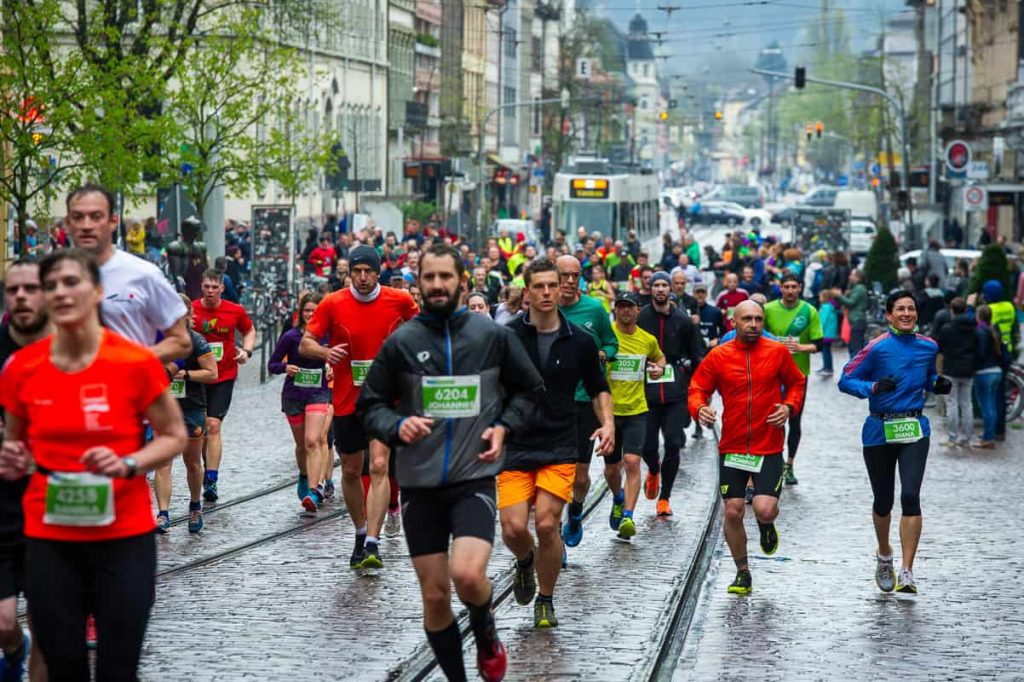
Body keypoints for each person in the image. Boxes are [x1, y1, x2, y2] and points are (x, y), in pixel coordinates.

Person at [357, 243, 544, 682]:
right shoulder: (402, 342)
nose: (437, 285)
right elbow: (371, 405)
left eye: (446, 277)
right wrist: (395, 426)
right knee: (436, 596)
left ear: (463, 280)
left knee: (467, 574)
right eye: (429, 277)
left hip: (472, 477)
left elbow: (529, 390)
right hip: (420, 484)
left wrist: (503, 427)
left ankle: (485, 629)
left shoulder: (491, 336)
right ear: (418, 283)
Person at [0, 249, 186, 680]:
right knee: (64, 667)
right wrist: (13, 459)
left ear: (98, 291)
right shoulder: (21, 369)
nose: (60, 292)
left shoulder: (135, 362)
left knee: (117, 670)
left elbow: (174, 436)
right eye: (51, 286)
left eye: (71, 282)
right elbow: (16, 449)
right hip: (49, 539)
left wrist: (127, 462)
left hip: (124, 538)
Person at [502, 260, 613, 628]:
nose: (548, 292)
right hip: (515, 445)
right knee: (514, 529)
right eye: (541, 286)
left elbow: (599, 388)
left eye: (554, 285)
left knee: (548, 526)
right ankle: (524, 562)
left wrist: (608, 423)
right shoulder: (507, 337)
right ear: (527, 291)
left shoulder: (580, 339)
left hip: (559, 443)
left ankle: (545, 599)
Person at [300, 244, 418, 569]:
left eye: (368, 271)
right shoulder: (332, 303)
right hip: (347, 401)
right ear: (349, 273)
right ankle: (360, 530)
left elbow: (424, 331)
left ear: (378, 271)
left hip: (385, 400)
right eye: (357, 271)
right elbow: (305, 343)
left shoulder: (400, 300)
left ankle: (373, 542)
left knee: (379, 466)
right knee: (351, 470)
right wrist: (325, 354)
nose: (363, 277)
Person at [689, 301, 807, 595]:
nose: (753, 324)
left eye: (758, 319)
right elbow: (697, 388)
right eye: (747, 319)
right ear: (734, 322)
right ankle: (743, 571)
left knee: (765, 510)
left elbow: (797, 382)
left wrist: (789, 406)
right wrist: (700, 408)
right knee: (733, 510)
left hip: (768, 445)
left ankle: (766, 525)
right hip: (733, 445)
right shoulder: (719, 355)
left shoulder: (777, 352)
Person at [838, 291, 952, 594]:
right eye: (900, 309)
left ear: (917, 314)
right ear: (889, 315)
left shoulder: (929, 347)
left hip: (914, 427)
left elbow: (927, 377)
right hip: (880, 429)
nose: (906, 313)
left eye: (911, 309)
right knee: (883, 500)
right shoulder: (876, 347)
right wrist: (873, 386)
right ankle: (885, 554)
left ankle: (907, 571)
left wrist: (937, 384)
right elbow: (845, 379)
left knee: (911, 496)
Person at [63, 184, 190, 362]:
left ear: (113, 221)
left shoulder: (144, 274)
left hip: (130, 387)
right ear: (67, 223)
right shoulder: (51, 278)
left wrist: (130, 362)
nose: (86, 225)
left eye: (96, 217)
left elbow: (181, 341)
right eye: (78, 217)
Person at [0, 260, 53, 681]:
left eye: (30, 289)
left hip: (51, 508)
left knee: (50, 626)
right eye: (12, 289)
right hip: (1, 507)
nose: (20, 297)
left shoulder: (72, 348)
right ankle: (15, 653)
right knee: (3, 624)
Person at [555, 255, 619, 551]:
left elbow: (610, 341)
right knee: (554, 475)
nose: (569, 281)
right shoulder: (546, 308)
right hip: (553, 403)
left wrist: (604, 353)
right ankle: (553, 538)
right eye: (563, 275)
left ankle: (576, 510)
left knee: (580, 477)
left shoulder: (594, 308)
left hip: (584, 401)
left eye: (574, 275)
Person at [638, 272, 702, 517]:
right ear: (651, 289)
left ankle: (664, 497)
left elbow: (696, 354)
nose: (661, 289)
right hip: (648, 392)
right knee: (648, 446)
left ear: (670, 290)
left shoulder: (683, 320)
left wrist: (694, 382)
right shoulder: (641, 317)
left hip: (675, 392)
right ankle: (653, 469)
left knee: (674, 443)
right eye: (657, 285)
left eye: (665, 285)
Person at [153, 294, 219, 533]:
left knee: (192, 462)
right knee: (163, 462)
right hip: (163, 407)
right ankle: (163, 514)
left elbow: (212, 373)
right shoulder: (158, 339)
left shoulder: (196, 341)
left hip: (191, 406)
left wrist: (187, 375)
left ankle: (195, 506)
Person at [191, 269, 256, 502]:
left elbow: (249, 330)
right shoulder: (192, 310)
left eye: (214, 287)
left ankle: (211, 478)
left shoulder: (234, 310)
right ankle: (203, 468)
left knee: (213, 425)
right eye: (206, 286)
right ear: (202, 287)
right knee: (200, 430)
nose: (210, 291)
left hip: (223, 375)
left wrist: (246, 350)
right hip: (197, 377)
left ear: (221, 288)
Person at [605, 291, 665, 540]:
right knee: (611, 470)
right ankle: (618, 498)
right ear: (615, 310)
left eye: (630, 307)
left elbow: (660, 357)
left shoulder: (647, 339)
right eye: (621, 307)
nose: (625, 311)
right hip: (609, 413)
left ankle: (628, 516)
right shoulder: (607, 335)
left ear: (637, 311)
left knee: (631, 462)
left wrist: (659, 368)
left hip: (637, 411)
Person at [270, 293, 333, 512]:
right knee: (301, 444)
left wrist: (332, 367)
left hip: (319, 393)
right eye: (307, 310)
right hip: (293, 395)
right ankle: (305, 475)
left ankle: (314, 491)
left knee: (312, 440)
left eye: (315, 310)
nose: (311, 314)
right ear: (300, 312)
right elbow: (272, 364)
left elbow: (340, 358)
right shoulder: (290, 337)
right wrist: (285, 368)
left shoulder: (327, 336)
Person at [762, 273, 822, 485]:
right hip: (772, 375)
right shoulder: (768, 309)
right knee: (773, 420)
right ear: (780, 288)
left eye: (793, 287)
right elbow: (759, 338)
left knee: (794, 421)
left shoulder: (809, 311)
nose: (789, 290)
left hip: (798, 376)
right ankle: (774, 462)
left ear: (800, 288)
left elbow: (819, 344)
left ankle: (789, 464)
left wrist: (799, 347)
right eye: (786, 286)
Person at [934, 298, 977, 447]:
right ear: (965, 309)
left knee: (952, 403)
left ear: (952, 310)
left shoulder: (947, 329)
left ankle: (952, 437)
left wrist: (939, 370)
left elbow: (939, 350)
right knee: (967, 404)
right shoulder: (973, 328)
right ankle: (966, 438)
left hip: (950, 369)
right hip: (968, 369)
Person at [982, 280, 1018, 441]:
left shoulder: (989, 309)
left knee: (992, 394)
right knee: (1001, 392)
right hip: (1007, 352)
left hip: (994, 354)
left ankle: (992, 429)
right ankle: (1001, 429)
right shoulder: (1009, 307)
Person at [973, 304, 1004, 449]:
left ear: (979, 316)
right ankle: (989, 432)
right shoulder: (993, 329)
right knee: (991, 405)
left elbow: (980, 353)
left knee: (986, 406)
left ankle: (989, 438)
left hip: (984, 373)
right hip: (996, 371)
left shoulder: (981, 331)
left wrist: (973, 365)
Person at [166, 216, 209, 300]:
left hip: (198, 285)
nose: (197, 233)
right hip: (186, 285)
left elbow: (205, 271)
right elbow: (177, 275)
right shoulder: (177, 248)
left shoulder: (200, 247)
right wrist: (184, 297)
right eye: (194, 230)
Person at [833, 270, 869, 359]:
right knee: (853, 346)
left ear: (858, 278)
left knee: (855, 348)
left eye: (852, 275)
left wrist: (839, 295)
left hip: (857, 320)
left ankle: (855, 369)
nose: (850, 277)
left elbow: (851, 303)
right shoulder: (856, 288)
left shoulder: (859, 288)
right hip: (855, 320)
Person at [817, 289, 840, 376]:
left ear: (824, 298)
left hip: (825, 333)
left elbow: (822, 320)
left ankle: (827, 368)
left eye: (820, 297)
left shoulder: (826, 307)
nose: (819, 299)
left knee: (825, 351)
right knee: (826, 350)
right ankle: (827, 367)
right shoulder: (830, 306)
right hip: (829, 333)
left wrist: (817, 330)